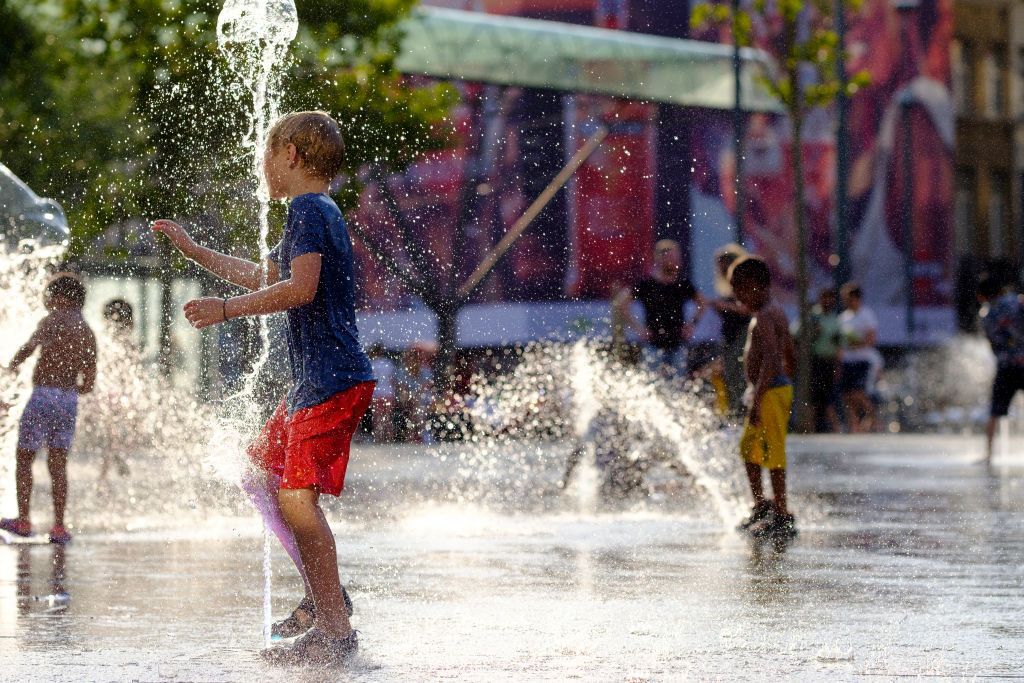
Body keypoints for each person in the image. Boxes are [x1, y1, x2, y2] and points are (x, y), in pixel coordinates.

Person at [152, 111, 375, 666]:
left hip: (330, 379)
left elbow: (298, 290)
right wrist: (195, 253)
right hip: (313, 383)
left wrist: (224, 311)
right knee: (260, 473)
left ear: (291, 157)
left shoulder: (306, 208)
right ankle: (326, 597)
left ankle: (334, 627)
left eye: (267, 155)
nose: (263, 167)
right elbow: (266, 276)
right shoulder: (317, 211)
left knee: (296, 498)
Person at [1, 274, 97, 544]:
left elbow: (29, 348)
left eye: (50, 296)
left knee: (24, 457)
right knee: (58, 463)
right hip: (68, 401)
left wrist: (11, 366)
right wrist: (68, 392)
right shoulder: (87, 332)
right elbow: (88, 383)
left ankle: (23, 520)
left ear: (61, 298)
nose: (47, 302)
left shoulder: (53, 320)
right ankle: (58, 526)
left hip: (43, 396)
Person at [729, 256, 797, 539]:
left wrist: (758, 398)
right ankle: (761, 505)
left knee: (772, 452)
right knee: (749, 449)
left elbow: (771, 357)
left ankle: (781, 513)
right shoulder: (772, 312)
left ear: (756, 287)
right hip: (770, 389)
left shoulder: (766, 315)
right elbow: (789, 350)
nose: (737, 297)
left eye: (740, 290)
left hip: (769, 391)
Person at [614, 239, 706, 377]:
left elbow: (702, 302)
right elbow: (621, 303)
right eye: (671, 258)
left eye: (676, 258)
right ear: (660, 258)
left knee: (678, 387)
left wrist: (692, 324)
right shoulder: (647, 284)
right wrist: (638, 329)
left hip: (677, 344)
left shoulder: (682, 283)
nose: (675, 262)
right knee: (654, 385)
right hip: (653, 344)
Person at [977, 272, 1024, 463]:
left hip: (1006, 367)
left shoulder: (986, 316)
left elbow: (993, 342)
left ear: (982, 295)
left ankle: (989, 454)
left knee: (995, 411)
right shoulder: (1017, 302)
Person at [711, 243, 751, 417]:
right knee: (728, 375)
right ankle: (734, 412)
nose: (720, 270)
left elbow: (747, 309)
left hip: (743, 335)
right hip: (729, 336)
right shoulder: (727, 286)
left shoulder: (743, 283)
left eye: (724, 266)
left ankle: (741, 413)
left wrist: (722, 306)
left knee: (739, 375)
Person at [838, 282, 883, 433]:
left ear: (856, 298)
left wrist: (856, 343)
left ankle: (875, 420)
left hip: (862, 360)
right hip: (847, 360)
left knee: (859, 393)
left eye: (848, 298)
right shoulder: (843, 317)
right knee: (847, 395)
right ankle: (854, 425)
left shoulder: (866, 315)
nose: (845, 301)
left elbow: (871, 339)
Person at [807, 288, 844, 433]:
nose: (828, 302)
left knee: (829, 399)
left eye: (831, 299)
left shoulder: (835, 319)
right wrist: (813, 333)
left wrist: (838, 366)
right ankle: (808, 429)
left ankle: (836, 431)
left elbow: (839, 343)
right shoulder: (812, 316)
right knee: (813, 399)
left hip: (830, 362)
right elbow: (796, 334)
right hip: (814, 362)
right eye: (825, 298)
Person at [367, 344, 397, 442]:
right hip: (388, 392)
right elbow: (392, 380)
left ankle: (378, 438)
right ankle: (389, 438)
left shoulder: (371, 363)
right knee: (388, 417)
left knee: (377, 417)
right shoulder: (389, 363)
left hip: (377, 393)